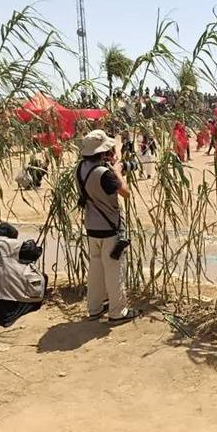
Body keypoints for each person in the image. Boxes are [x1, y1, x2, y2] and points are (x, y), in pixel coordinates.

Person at [75, 130, 141, 323]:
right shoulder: (104, 174)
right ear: (103, 152)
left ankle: (94, 308)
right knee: (114, 270)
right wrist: (118, 172)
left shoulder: (79, 168)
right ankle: (117, 312)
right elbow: (125, 193)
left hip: (91, 227)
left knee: (95, 269)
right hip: (109, 228)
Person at [0, 222, 46, 327]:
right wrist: (31, 243)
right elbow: (35, 253)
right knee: (42, 278)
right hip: (7, 312)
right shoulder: (16, 244)